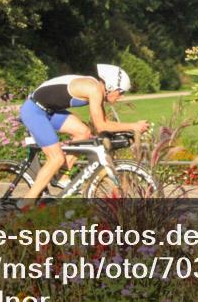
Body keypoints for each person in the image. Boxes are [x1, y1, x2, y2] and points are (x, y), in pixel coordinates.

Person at [19, 64, 148, 201]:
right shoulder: (94, 90)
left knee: (83, 133)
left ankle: (61, 175)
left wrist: (129, 128)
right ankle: (26, 203)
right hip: (34, 111)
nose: (121, 97)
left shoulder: (97, 89)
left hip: (49, 110)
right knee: (56, 158)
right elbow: (101, 126)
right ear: (110, 87)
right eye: (120, 92)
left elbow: (104, 122)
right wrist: (133, 126)